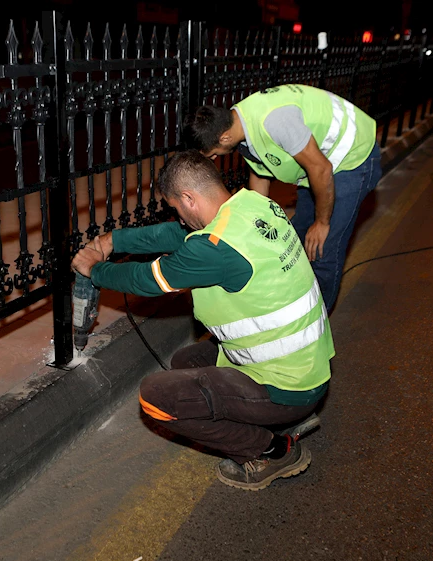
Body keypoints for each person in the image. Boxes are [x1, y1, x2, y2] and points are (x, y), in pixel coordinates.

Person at [70, 150, 334, 490]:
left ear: (189, 198)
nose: (177, 218)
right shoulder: (253, 205)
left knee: (156, 397)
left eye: (176, 208)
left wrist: (93, 268)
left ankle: (272, 450)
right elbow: (173, 235)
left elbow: (146, 280)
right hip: (307, 367)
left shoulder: (213, 247)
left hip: (288, 387)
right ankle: (272, 423)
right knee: (185, 361)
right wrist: (113, 240)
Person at [190, 84, 383, 312]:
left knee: (323, 248)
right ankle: (295, 302)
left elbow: (321, 169)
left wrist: (322, 223)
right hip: (317, 166)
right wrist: (254, 228)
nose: (213, 159)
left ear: (223, 138)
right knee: (296, 236)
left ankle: (313, 323)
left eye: (212, 154)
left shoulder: (275, 121)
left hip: (352, 157)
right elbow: (260, 173)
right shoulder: (237, 123)